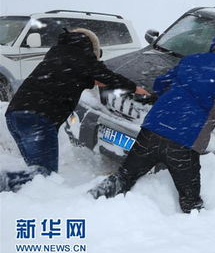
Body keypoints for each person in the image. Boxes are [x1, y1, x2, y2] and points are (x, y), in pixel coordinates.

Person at [89, 33, 215, 214]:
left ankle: (86, 202)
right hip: (185, 140)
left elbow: (160, 83)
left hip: (153, 129)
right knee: (190, 200)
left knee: (124, 176)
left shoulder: (190, 60)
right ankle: (194, 234)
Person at [0, 28, 148, 192]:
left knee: (36, 173)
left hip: (15, 114)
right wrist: (136, 89)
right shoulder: (83, 58)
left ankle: (22, 200)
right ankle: (4, 182)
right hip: (38, 118)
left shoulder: (58, 53)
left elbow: (84, 77)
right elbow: (106, 76)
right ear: (92, 48)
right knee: (44, 175)